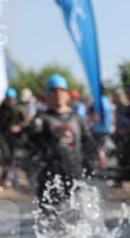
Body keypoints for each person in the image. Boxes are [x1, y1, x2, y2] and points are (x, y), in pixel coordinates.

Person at [25, 74, 103, 210]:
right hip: (50, 180)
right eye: (54, 91)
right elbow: (31, 143)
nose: (58, 94)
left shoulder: (77, 118)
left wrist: (98, 155)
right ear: (47, 95)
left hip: (75, 176)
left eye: (61, 90)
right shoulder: (42, 119)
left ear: (67, 95)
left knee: (79, 218)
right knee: (49, 220)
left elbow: (88, 141)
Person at [0, 87, 25, 185]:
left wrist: (18, 127)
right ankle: (5, 176)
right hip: (2, 135)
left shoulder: (18, 109)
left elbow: (25, 122)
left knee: (11, 156)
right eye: (8, 99)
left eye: (11, 99)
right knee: (6, 155)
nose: (9, 101)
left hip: (13, 136)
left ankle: (7, 175)